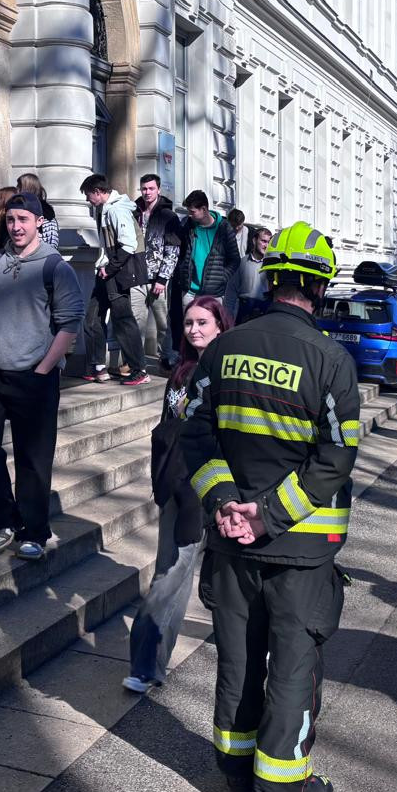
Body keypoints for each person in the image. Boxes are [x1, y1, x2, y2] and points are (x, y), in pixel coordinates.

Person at [181, 220, 359, 792]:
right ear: (321, 287)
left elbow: (194, 435)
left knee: (237, 659)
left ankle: (233, 775)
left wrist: (228, 504)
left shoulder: (223, 350)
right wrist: (270, 514)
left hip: (230, 545)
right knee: (291, 669)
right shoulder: (331, 360)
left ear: (272, 277)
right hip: (300, 552)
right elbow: (335, 458)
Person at [0, 193, 84, 561]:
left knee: (33, 458)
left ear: (38, 221)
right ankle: (3, 520)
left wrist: (41, 372)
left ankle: (34, 531)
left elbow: (69, 327)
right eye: (10, 220)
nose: (16, 227)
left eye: (23, 219)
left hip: (35, 375)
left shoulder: (56, 268)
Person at [124, 296, 233, 694]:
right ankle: (148, 664)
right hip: (174, 485)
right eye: (188, 323)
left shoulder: (225, 372)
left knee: (185, 576)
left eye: (203, 322)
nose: (194, 330)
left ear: (221, 325)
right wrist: (162, 480)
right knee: (171, 573)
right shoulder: (181, 372)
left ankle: (146, 664)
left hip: (207, 488)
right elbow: (165, 430)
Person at [80, 173, 149, 386]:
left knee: (123, 321)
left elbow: (127, 244)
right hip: (107, 271)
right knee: (92, 318)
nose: (87, 200)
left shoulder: (117, 210)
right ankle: (98, 367)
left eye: (88, 195)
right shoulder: (106, 209)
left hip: (116, 273)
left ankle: (139, 370)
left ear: (99, 192)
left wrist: (109, 269)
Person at [173, 190, 242, 339]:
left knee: (211, 332)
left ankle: (209, 361)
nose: (189, 215)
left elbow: (235, 259)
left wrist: (222, 277)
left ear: (204, 209)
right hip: (189, 290)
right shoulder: (188, 226)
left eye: (192, 212)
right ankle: (190, 361)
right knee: (189, 332)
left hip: (214, 292)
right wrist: (182, 272)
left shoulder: (224, 228)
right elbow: (180, 252)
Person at [134, 174, 182, 367]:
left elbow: (173, 249)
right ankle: (136, 362)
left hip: (159, 279)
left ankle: (167, 359)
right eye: (144, 189)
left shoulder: (168, 216)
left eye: (151, 188)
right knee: (136, 322)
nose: (147, 192)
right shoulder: (134, 212)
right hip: (137, 275)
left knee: (163, 323)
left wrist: (162, 278)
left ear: (158, 190)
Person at [236, 225, 272, 323]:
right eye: (263, 241)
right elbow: (231, 291)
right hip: (244, 308)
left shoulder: (272, 265)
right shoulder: (242, 263)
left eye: (269, 242)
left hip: (265, 309)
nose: (266, 246)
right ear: (254, 241)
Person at [16, 172, 60, 246]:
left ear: (27, 188)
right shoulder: (16, 208)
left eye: (19, 186)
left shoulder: (46, 212)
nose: (16, 189)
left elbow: (51, 241)